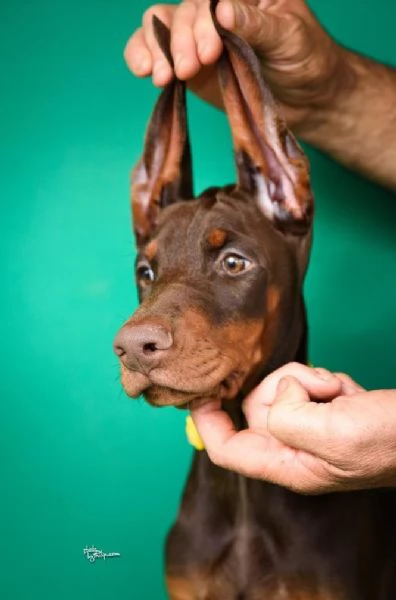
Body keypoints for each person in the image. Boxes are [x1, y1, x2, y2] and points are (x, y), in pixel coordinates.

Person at [125, 0, 396, 494]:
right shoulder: (188, 546)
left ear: (288, 198)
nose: (137, 332)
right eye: (148, 271)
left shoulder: (279, 211)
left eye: (232, 262)